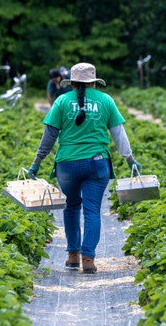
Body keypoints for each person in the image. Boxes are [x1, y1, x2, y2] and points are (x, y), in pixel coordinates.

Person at [28, 62, 140, 274]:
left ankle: (73, 256)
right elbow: (119, 134)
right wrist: (130, 160)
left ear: (72, 83)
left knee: (71, 207)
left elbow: (49, 136)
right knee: (92, 210)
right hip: (97, 164)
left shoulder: (61, 101)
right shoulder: (106, 100)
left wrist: (37, 162)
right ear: (94, 82)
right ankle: (88, 259)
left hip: (67, 165)